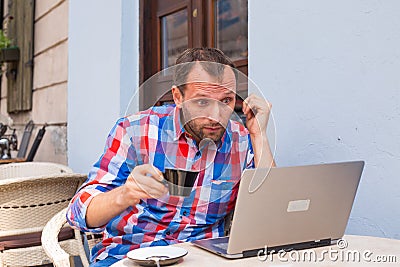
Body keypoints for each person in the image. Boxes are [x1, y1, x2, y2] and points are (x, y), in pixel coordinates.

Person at [67, 47, 275, 266]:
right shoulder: (134, 131)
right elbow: (78, 213)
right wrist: (125, 194)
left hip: (204, 259)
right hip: (129, 256)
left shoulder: (241, 140)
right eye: (202, 102)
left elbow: (271, 209)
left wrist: (259, 135)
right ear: (178, 97)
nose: (216, 116)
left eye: (226, 101)